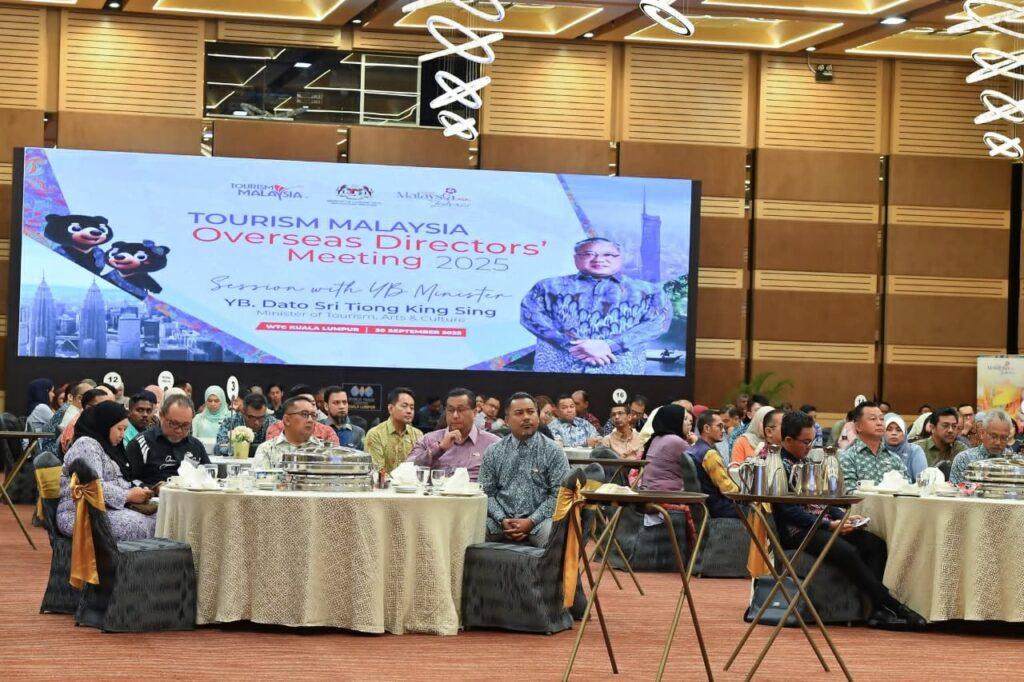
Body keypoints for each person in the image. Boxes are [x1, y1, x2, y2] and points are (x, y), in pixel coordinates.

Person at [774, 410, 925, 630]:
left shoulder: (805, 461)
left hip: (820, 523)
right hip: (798, 531)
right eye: (805, 442)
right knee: (848, 551)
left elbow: (821, 502)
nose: (809, 447)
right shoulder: (778, 465)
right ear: (788, 440)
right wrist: (828, 524)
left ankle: (874, 611)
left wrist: (843, 517)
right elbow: (789, 510)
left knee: (875, 544)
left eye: (812, 441)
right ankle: (892, 605)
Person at [520, 237, 672, 374]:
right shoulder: (547, 286)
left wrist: (610, 345)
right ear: (576, 258)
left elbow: (657, 323)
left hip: (621, 372)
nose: (599, 259)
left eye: (608, 255)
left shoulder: (649, 291)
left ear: (620, 258)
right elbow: (531, 316)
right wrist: (572, 345)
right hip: (556, 371)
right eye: (588, 254)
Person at [478, 392, 570, 546]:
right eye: (519, 413)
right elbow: (486, 492)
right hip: (499, 522)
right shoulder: (493, 451)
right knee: (471, 531)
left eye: (531, 412)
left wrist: (531, 521)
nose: (526, 417)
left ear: (538, 417)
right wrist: (502, 519)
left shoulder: (553, 451)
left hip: (540, 522)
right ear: (507, 420)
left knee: (553, 535)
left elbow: (559, 495)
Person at [57, 402, 155, 541]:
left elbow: (117, 480)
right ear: (105, 425)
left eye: (124, 429)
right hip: (79, 513)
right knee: (138, 524)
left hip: (103, 509)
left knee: (158, 518)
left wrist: (138, 491)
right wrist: (128, 495)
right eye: (119, 429)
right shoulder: (86, 444)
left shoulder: (107, 447)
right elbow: (92, 486)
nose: (122, 435)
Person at [406, 388, 500, 481]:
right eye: (450, 410)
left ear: (474, 412)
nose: (455, 415)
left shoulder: (493, 444)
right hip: (436, 490)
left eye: (461, 410)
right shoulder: (428, 440)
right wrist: (439, 449)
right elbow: (407, 470)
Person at [125, 395, 209, 486]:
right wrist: (153, 489)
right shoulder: (140, 443)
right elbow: (129, 480)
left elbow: (209, 477)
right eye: (174, 423)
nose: (179, 430)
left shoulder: (196, 445)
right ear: (161, 416)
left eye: (185, 425)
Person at [839, 402, 910, 493]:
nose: (879, 423)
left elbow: (907, 489)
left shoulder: (894, 458)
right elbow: (849, 492)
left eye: (882, 419)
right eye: (873, 419)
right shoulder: (848, 457)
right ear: (858, 426)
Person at [687, 409, 738, 518]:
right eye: (719, 426)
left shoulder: (692, 449)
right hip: (720, 508)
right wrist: (744, 493)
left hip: (704, 507)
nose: (723, 430)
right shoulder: (710, 454)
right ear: (707, 428)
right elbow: (727, 489)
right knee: (757, 509)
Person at [253, 396, 326, 468]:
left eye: (313, 415)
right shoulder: (267, 449)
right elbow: (260, 476)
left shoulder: (323, 449)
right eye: (304, 414)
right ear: (287, 420)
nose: (310, 420)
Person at [364, 387, 423, 472]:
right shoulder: (375, 434)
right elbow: (377, 471)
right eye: (404, 406)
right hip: (384, 481)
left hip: (412, 480)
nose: (409, 411)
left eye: (412, 407)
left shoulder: (418, 434)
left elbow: (420, 467)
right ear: (391, 408)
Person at [637, 404, 692, 491]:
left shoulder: (656, 438)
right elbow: (696, 464)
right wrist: (695, 441)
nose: (689, 423)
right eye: (684, 419)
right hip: (666, 494)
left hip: (650, 490)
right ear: (675, 420)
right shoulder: (675, 440)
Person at [950, 410, 1013, 484]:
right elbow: (955, 489)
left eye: (1003, 438)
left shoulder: (1012, 462)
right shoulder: (964, 459)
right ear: (982, 433)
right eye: (993, 436)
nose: (998, 442)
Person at [266, 386, 340, 445]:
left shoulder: (327, 432)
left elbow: (335, 457)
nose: (310, 409)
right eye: (304, 405)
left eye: (313, 404)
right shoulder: (276, 429)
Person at [215, 392, 278, 456]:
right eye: (252, 417)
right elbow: (219, 447)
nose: (257, 422)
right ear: (243, 412)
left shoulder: (273, 424)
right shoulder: (231, 422)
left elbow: (277, 449)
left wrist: (244, 448)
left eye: (261, 418)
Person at [882, 413, 928, 482]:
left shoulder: (914, 450)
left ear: (905, 433)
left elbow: (923, 481)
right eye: (889, 429)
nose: (894, 433)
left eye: (899, 430)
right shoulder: (877, 451)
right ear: (882, 432)